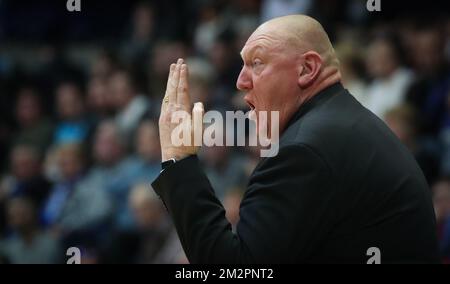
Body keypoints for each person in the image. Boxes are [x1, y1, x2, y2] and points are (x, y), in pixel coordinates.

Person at [152, 15, 439, 263]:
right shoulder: (341, 124)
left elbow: (236, 268)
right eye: (242, 65)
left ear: (307, 69)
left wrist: (179, 158)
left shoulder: (305, 150)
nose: (240, 81)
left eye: (257, 63)